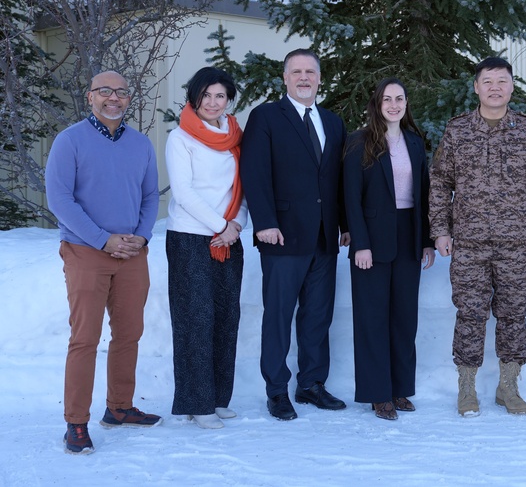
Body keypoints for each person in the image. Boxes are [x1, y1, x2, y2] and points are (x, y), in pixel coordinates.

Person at [429, 57, 526, 417]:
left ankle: (508, 385)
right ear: (476, 87)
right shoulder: (457, 130)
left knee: (514, 313)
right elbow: (440, 182)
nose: (495, 88)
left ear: (512, 87)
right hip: (469, 243)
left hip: (515, 243)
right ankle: (467, 387)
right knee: (469, 313)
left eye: (502, 81)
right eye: (487, 82)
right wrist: (440, 230)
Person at [45, 71, 162, 455]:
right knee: (85, 339)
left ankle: (119, 407)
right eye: (105, 91)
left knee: (129, 334)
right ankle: (76, 423)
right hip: (85, 251)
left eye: (122, 92)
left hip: (132, 253)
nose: (114, 98)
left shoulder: (141, 144)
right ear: (90, 96)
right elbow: (60, 199)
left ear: (129, 98)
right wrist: (103, 239)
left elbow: (149, 199)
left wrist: (140, 238)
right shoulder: (70, 141)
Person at [241, 48, 349, 421]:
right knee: (279, 316)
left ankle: (311, 385)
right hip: (282, 235)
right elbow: (254, 173)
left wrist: (345, 225)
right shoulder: (266, 117)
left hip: (324, 236)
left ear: (320, 78)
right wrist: (265, 222)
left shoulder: (333, 122)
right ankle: (276, 391)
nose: (304, 78)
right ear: (284, 78)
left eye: (311, 72)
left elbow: (339, 180)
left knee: (318, 315)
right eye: (296, 72)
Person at [343, 79, 435, 421]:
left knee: (403, 319)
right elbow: (351, 196)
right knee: (372, 319)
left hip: (408, 235)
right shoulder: (359, 142)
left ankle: (399, 389)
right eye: (387, 99)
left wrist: (426, 239)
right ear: (377, 104)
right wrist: (360, 244)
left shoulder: (414, 142)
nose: (394, 104)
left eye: (400, 99)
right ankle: (377, 393)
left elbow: (423, 194)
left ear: (406, 103)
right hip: (372, 240)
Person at [164, 67, 248, 429]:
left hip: (230, 237)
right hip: (190, 238)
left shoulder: (235, 136)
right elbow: (184, 194)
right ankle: (196, 403)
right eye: (206, 95)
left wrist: (237, 225)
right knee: (195, 320)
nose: (213, 102)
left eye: (220, 96)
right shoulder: (179, 138)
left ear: (229, 100)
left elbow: (242, 189)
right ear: (194, 97)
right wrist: (221, 227)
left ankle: (217, 397)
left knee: (226, 318)